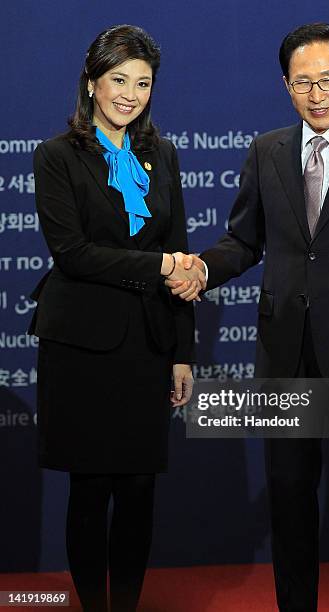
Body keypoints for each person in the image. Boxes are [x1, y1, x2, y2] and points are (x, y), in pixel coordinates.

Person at [167, 23, 329, 612]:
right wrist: (204, 269)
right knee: (288, 500)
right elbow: (243, 240)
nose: (317, 93)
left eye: (328, 80)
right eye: (303, 82)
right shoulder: (267, 151)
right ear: (286, 86)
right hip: (284, 355)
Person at [29, 24, 204, 612]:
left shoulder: (163, 154)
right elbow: (73, 254)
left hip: (148, 346)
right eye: (118, 80)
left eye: (143, 83)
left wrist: (182, 352)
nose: (130, 94)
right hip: (81, 345)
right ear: (92, 83)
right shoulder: (56, 156)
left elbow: (180, 255)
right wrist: (159, 264)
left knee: (138, 491)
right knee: (91, 487)